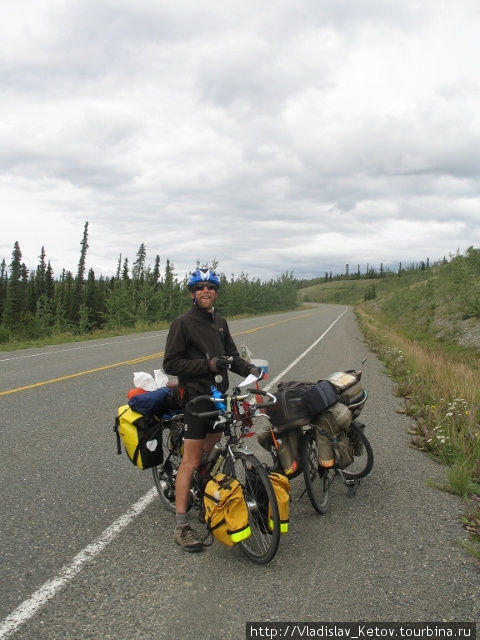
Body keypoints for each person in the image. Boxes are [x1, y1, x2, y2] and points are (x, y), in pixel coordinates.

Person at [163, 268, 262, 552]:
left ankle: (206, 497)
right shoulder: (182, 323)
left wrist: (249, 368)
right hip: (195, 399)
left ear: (216, 292)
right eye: (200, 287)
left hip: (218, 398)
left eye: (211, 287)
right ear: (192, 293)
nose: (206, 291)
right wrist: (206, 366)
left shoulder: (220, 322)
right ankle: (181, 526)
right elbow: (171, 364)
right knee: (192, 461)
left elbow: (229, 356)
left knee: (211, 452)